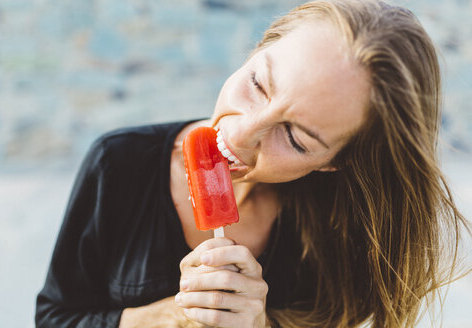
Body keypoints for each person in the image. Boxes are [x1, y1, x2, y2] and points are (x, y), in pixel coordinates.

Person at [35, 0, 469, 327]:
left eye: (297, 138)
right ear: (256, 50)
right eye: (258, 82)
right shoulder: (118, 163)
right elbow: (53, 318)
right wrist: (163, 317)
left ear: (336, 163)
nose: (239, 134)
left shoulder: (351, 232)